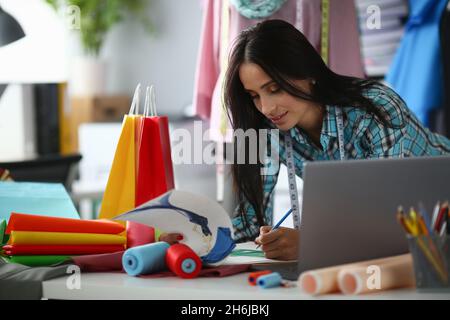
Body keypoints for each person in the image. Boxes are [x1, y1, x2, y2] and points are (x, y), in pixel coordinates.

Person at [224, 19, 450, 260]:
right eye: (254, 96)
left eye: (274, 89)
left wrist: (311, 243)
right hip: (404, 235)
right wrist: (214, 245)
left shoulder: (376, 109)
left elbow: (383, 218)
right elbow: (247, 226)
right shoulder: (267, 129)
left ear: (308, 73)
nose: (266, 108)